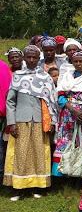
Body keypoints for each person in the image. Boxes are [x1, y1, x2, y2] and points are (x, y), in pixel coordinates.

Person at [4, 46, 57, 200]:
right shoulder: (18, 76)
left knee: (39, 153)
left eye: (34, 57)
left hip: (41, 121)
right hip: (21, 120)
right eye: (29, 57)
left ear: (38, 57)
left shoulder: (45, 77)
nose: (32, 60)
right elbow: (10, 102)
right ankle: (18, 188)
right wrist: (11, 123)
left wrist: (52, 121)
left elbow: (52, 101)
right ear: (24, 58)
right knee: (20, 154)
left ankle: (38, 186)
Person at [52, 52, 82, 177]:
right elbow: (61, 96)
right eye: (76, 61)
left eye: (81, 61)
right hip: (67, 114)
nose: (78, 64)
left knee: (80, 141)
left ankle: (78, 173)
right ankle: (62, 172)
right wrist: (73, 110)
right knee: (65, 141)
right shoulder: (67, 76)